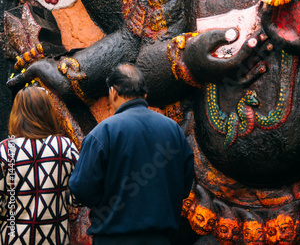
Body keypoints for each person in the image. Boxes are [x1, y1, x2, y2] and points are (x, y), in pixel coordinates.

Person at [69, 63, 194, 245]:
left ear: (113, 92)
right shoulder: (173, 129)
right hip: (160, 239)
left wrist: (108, 201)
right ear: (144, 94)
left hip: (113, 238)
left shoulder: (103, 133)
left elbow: (81, 188)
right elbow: (185, 184)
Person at [0, 85, 79, 245]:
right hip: (55, 238)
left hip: (13, 239)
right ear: (49, 112)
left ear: (17, 114)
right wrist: (66, 202)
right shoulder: (65, 146)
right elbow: (82, 192)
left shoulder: (5, 149)